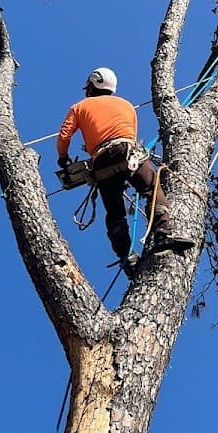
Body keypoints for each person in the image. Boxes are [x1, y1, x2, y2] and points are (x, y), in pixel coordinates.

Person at [57, 67, 173, 277]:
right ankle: (163, 233)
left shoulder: (80, 107)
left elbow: (64, 135)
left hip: (101, 163)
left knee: (115, 213)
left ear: (92, 84)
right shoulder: (126, 105)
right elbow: (131, 134)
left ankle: (127, 257)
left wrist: (63, 158)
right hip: (129, 153)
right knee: (153, 190)